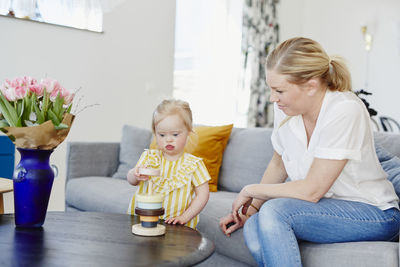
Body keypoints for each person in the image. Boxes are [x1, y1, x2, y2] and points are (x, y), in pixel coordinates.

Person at [219, 37, 400, 266]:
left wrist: (250, 190)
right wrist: (251, 208)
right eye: (271, 89)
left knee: (275, 211)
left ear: (312, 85)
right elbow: (278, 164)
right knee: (255, 224)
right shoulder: (286, 109)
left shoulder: (345, 109)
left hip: (374, 213)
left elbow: (312, 190)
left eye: (279, 90)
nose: (273, 98)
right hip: (321, 208)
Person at [127, 99, 210, 229]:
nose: (169, 139)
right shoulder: (149, 157)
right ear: (155, 134)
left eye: (175, 134)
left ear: (188, 132)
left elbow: (203, 194)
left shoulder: (194, 164)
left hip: (176, 225)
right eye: (162, 135)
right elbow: (132, 181)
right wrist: (134, 174)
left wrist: (185, 217)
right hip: (142, 221)